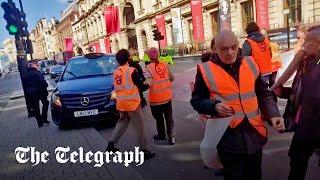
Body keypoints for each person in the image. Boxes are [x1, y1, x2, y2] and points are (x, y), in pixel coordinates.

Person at [190, 30, 285, 180]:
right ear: (215, 49)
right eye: (224, 48)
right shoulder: (205, 70)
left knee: (255, 175)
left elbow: (263, 93)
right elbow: (197, 100)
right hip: (228, 137)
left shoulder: (250, 63)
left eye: (234, 47)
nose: (230, 52)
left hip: (255, 133)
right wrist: (213, 107)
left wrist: (274, 114)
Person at [270, 27, 320, 180]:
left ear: (317, 44)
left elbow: (314, 93)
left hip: (314, 125)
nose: (303, 44)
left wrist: (300, 58)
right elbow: (301, 91)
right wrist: (283, 92)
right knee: (297, 162)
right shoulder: (306, 62)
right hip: (304, 126)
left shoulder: (310, 64)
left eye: (307, 41)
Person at [106, 49, 155, 159]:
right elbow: (141, 87)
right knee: (140, 127)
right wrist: (149, 84)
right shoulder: (132, 71)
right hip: (132, 104)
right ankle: (143, 150)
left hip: (121, 103)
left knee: (122, 122)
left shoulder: (116, 72)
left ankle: (111, 144)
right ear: (128, 58)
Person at [146, 47, 175, 145]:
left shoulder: (148, 68)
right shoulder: (165, 64)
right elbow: (172, 78)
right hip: (166, 98)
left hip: (155, 99)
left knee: (159, 119)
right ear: (158, 54)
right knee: (169, 118)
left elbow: (147, 83)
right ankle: (172, 137)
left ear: (149, 56)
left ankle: (161, 135)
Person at [242, 22, 275, 88]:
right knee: (265, 89)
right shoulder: (265, 40)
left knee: (259, 92)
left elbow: (243, 58)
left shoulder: (248, 42)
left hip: (256, 72)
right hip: (268, 70)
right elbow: (270, 54)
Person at [24, 60, 50, 127]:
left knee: (36, 107)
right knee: (45, 103)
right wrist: (46, 85)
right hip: (40, 91)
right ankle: (44, 118)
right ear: (33, 65)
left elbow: (25, 85)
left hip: (31, 93)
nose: (38, 66)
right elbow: (42, 82)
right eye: (37, 65)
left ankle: (39, 122)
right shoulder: (37, 73)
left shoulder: (26, 74)